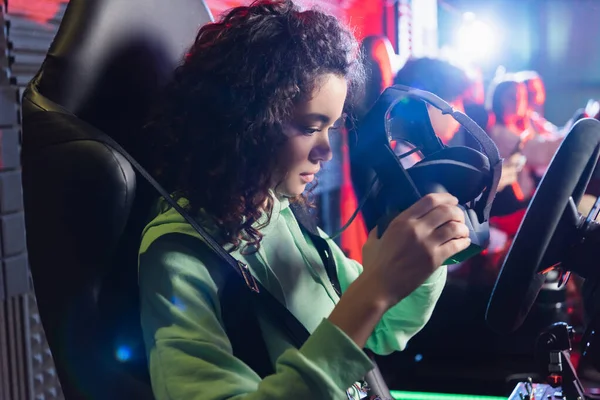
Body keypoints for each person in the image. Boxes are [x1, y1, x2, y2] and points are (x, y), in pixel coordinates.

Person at [137, 1, 471, 399]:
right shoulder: (180, 256)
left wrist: (424, 257)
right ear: (249, 120)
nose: (326, 151)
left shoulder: (277, 212)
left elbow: (383, 325)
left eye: (331, 126)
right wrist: (377, 286)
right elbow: (368, 305)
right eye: (311, 127)